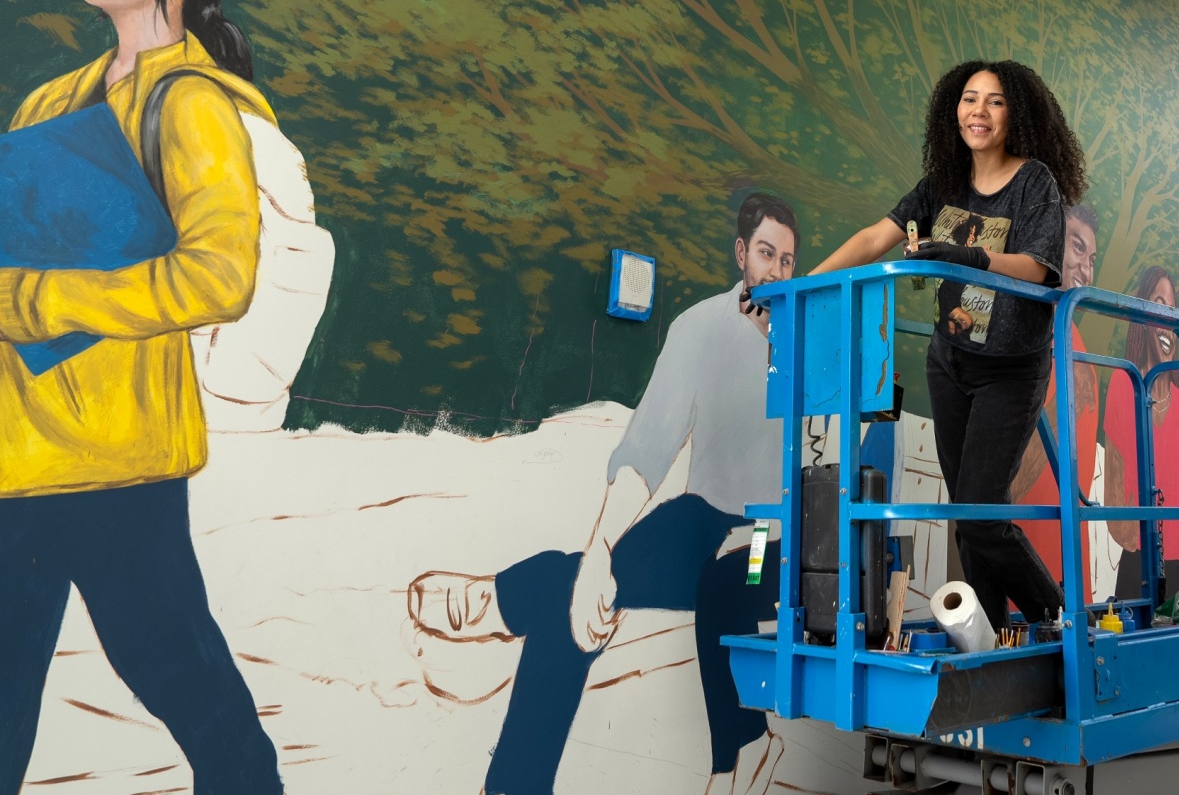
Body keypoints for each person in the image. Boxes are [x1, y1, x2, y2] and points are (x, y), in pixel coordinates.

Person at [0, 0, 282, 792]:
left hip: (119, 469)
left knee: (196, 700)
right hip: (18, 457)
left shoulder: (192, 105)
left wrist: (44, 300)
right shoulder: (49, 101)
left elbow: (219, 276)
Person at [408, 192, 799, 795]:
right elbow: (646, 448)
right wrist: (598, 555)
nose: (776, 271)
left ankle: (743, 749)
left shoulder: (806, 342)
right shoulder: (698, 327)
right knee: (578, 587)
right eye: (766, 254)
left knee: (725, 583)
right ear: (741, 253)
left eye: (788, 261)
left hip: (769, 533)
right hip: (701, 517)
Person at [812, 59, 1088, 631]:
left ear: (1017, 115)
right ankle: (988, 638)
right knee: (966, 514)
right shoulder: (942, 183)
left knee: (981, 512)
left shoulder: (1034, 182)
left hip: (1010, 368)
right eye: (969, 98)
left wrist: (969, 255)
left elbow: (1038, 269)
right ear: (952, 110)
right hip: (950, 362)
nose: (978, 112)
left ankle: (1062, 620)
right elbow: (874, 236)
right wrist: (802, 286)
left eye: (995, 101)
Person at [1011, 204, 1101, 606]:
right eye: (1078, 248)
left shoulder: (1074, 337)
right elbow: (1009, 478)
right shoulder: (1024, 329)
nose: (1086, 268)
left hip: (1068, 550)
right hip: (1028, 548)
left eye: (1092, 258)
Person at [1103, 266, 1179, 601]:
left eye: (1171, 309)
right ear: (1142, 317)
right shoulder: (1123, 385)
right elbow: (1115, 488)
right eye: (1158, 304)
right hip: (1137, 559)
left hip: (1176, 564)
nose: (1166, 318)